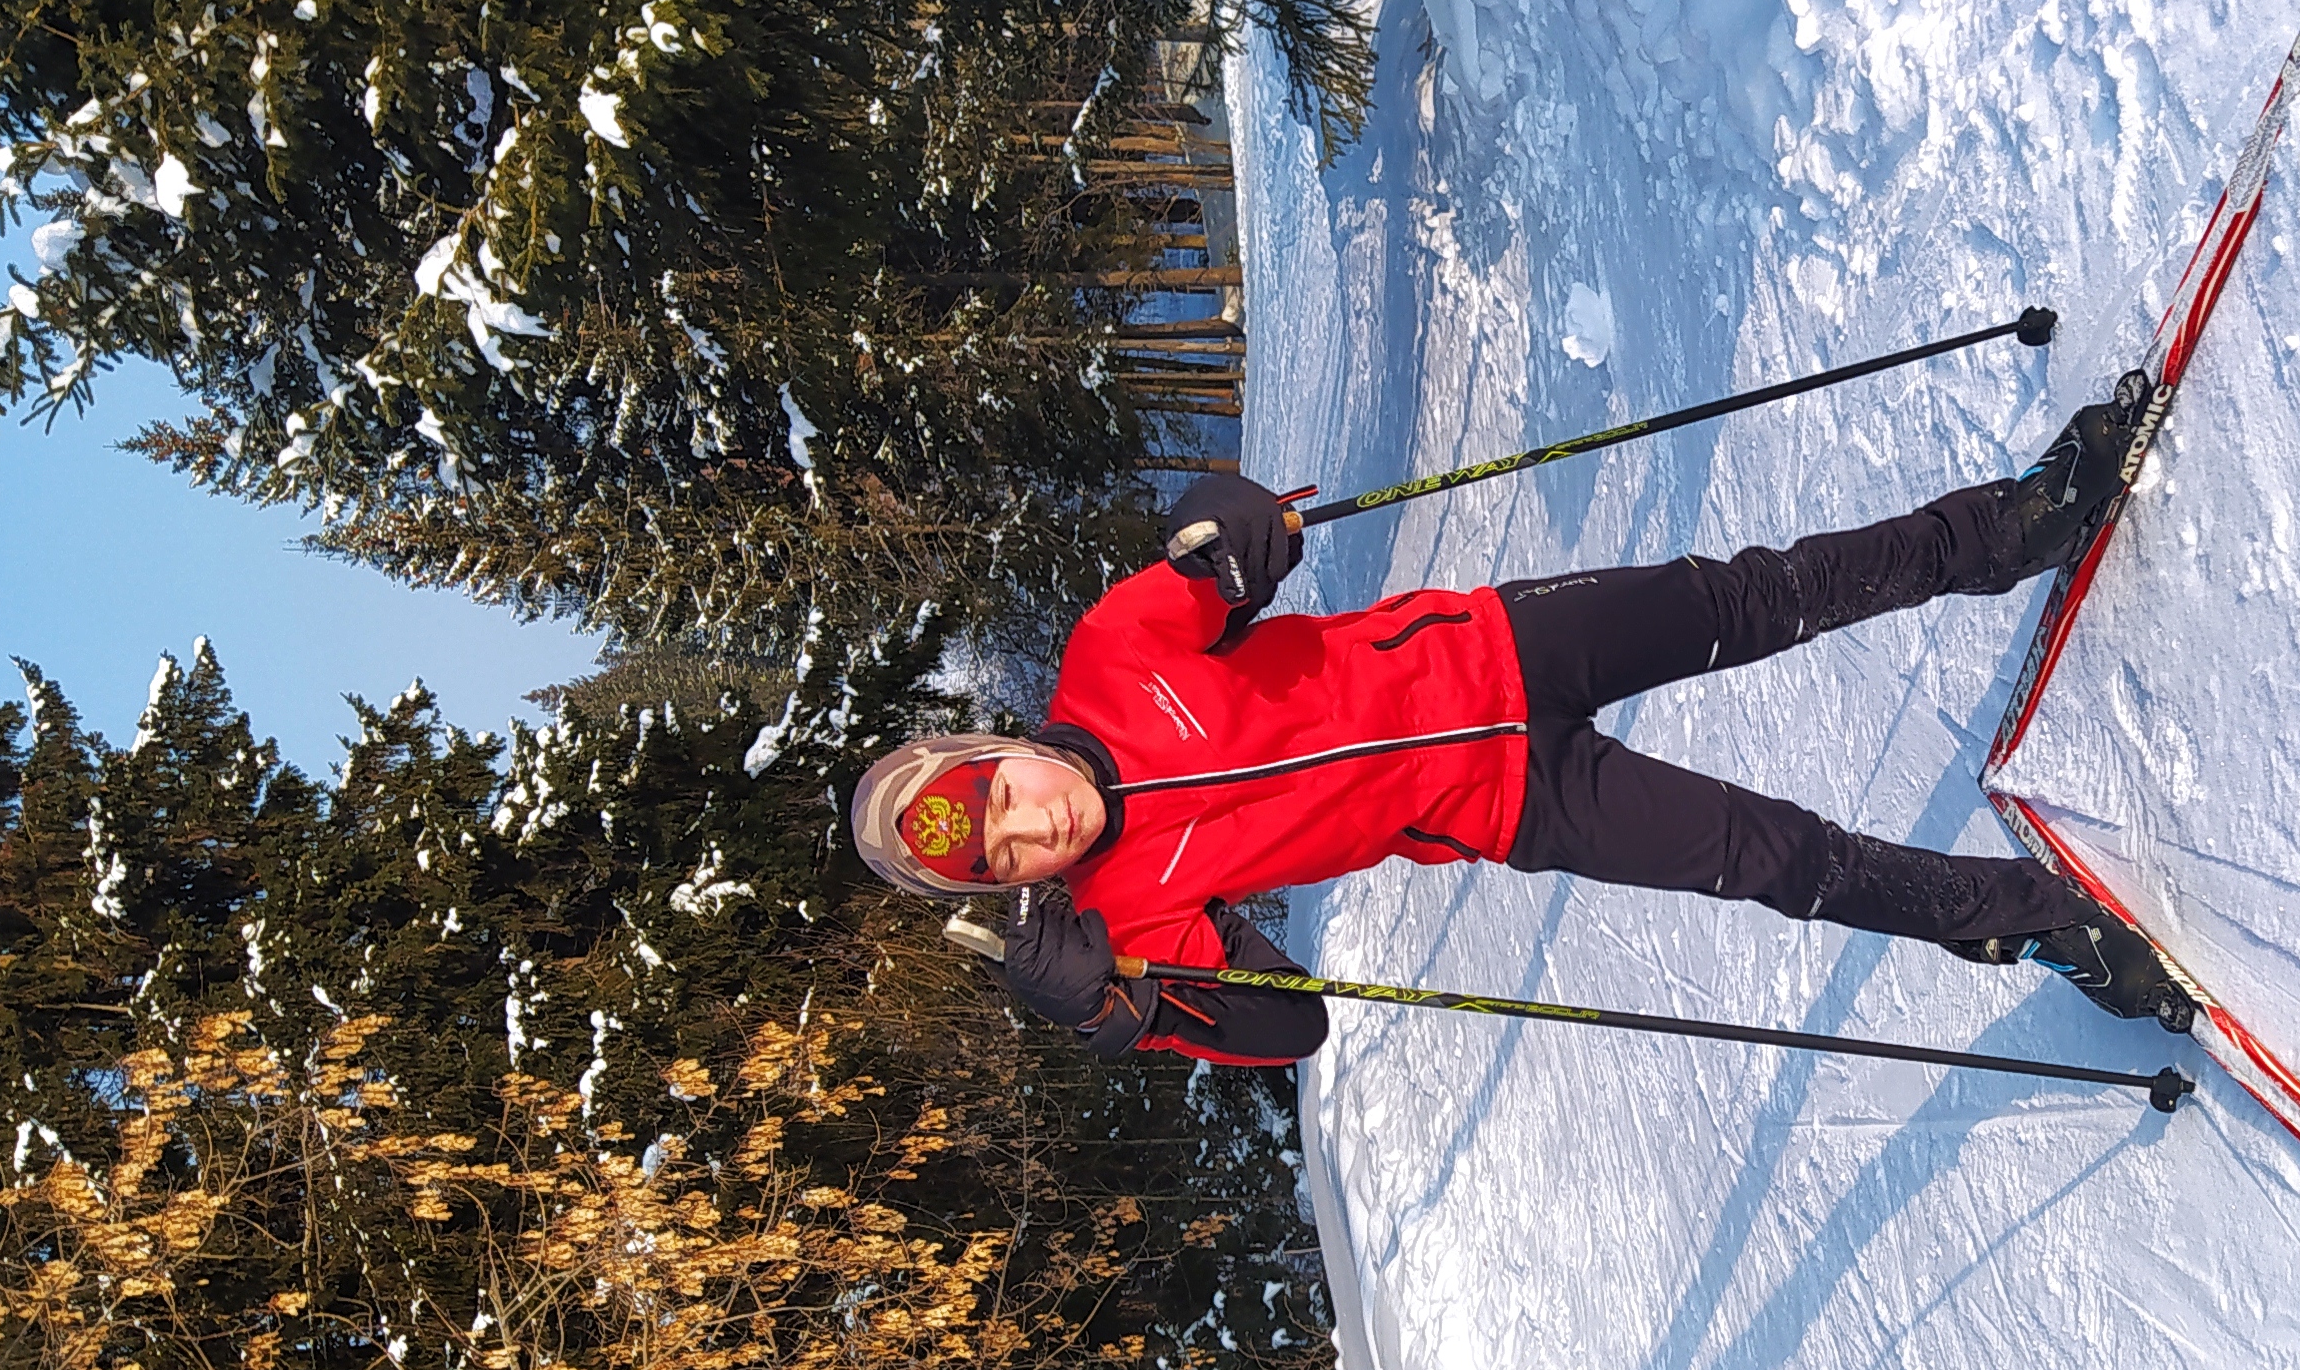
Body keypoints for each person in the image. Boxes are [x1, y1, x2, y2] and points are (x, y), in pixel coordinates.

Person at [847, 404, 2199, 1065]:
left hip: (1497, 642)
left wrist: (1232, 522)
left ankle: (2009, 532)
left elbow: (1214, 551)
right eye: (1010, 856)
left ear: (998, 748)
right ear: (1011, 889)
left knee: (1760, 594)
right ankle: (2019, 918)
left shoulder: (1108, 656)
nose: (1037, 824)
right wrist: (1118, 1010)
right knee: (1773, 858)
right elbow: (1292, 1027)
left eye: (1004, 793)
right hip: (1509, 801)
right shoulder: (1125, 918)